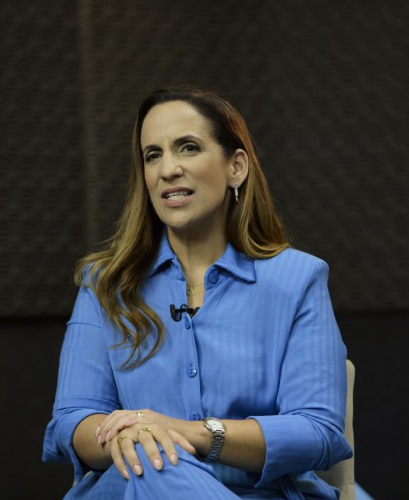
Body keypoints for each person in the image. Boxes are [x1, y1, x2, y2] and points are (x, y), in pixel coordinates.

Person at [43, 86, 352, 499]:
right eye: (153, 155)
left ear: (236, 167)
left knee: (160, 453)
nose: (167, 169)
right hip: (132, 485)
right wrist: (134, 436)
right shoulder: (105, 286)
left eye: (187, 148)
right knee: (152, 460)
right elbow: (70, 422)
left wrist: (191, 433)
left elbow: (319, 433)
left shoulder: (296, 279)